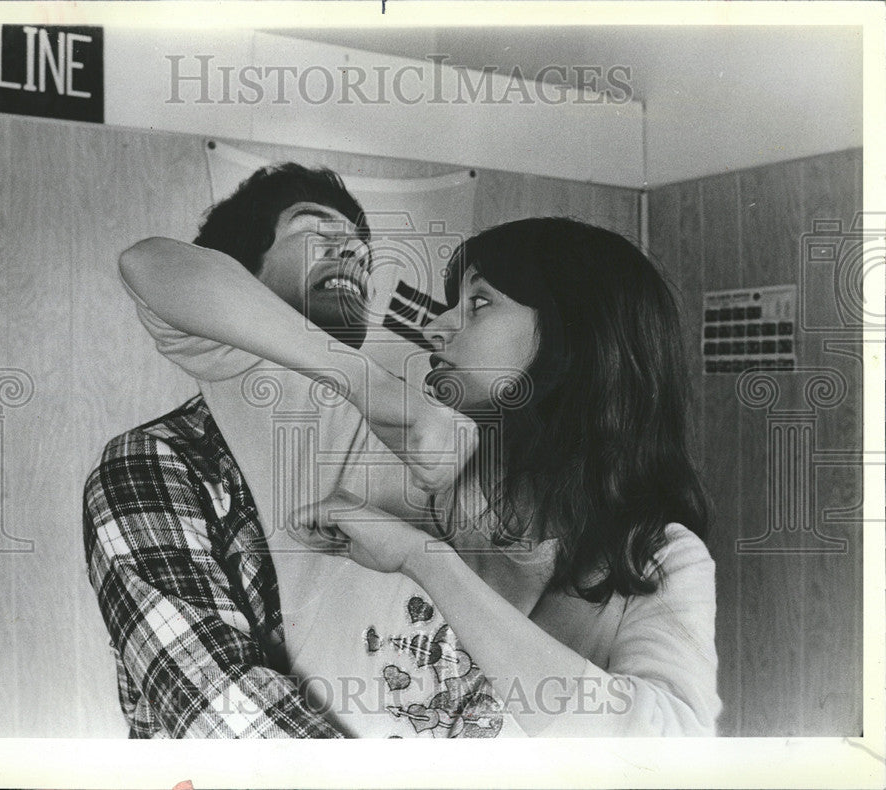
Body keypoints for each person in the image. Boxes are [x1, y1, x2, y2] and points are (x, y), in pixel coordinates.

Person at [121, 215, 722, 736]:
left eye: (479, 303)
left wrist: (426, 560)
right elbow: (150, 270)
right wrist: (375, 391)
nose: (438, 327)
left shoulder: (656, 559)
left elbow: (668, 751)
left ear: (576, 338)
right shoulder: (354, 448)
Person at [84, 163, 496, 739]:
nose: (352, 252)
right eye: (315, 231)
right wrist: (370, 386)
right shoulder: (153, 460)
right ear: (240, 271)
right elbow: (217, 703)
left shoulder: (419, 430)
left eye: (362, 251)